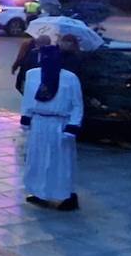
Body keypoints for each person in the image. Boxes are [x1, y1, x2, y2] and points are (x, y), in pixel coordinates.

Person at [20, 46, 84, 211]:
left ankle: (67, 195)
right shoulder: (32, 75)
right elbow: (28, 98)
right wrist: (25, 119)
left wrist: (73, 126)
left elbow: (77, 104)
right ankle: (39, 192)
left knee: (59, 161)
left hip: (59, 124)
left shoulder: (70, 78)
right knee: (38, 159)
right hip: (39, 123)